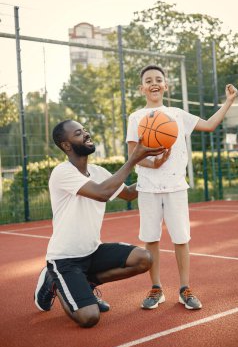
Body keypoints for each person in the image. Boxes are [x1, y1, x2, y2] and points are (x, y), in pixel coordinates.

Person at [34, 119, 167, 328]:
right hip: (65, 259)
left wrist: (157, 172)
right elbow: (102, 193)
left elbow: (130, 194)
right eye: (78, 133)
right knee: (89, 318)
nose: (86, 134)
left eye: (85, 130)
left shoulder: (98, 172)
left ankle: (86, 284)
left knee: (144, 259)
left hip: (92, 252)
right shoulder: (62, 172)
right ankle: (54, 281)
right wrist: (132, 160)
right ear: (66, 145)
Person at [126, 64, 238, 310]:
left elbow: (209, 125)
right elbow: (132, 155)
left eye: (158, 79)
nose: (154, 83)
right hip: (148, 187)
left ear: (166, 85)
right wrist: (154, 164)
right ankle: (156, 288)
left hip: (176, 186)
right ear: (141, 88)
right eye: (148, 80)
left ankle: (184, 288)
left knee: (181, 238)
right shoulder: (135, 117)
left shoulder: (177, 114)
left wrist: (229, 102)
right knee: (151, 239)